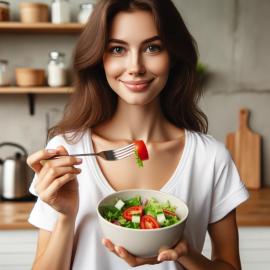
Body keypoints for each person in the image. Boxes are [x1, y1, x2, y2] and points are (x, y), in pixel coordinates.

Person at [27, 0, 249, 269]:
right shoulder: (66, 151)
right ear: (100, 58)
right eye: (118, 49)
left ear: (174, 55)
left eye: (153, 47)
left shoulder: (209, 158)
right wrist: (65, 215)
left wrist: (185, 253)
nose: (135, 66)